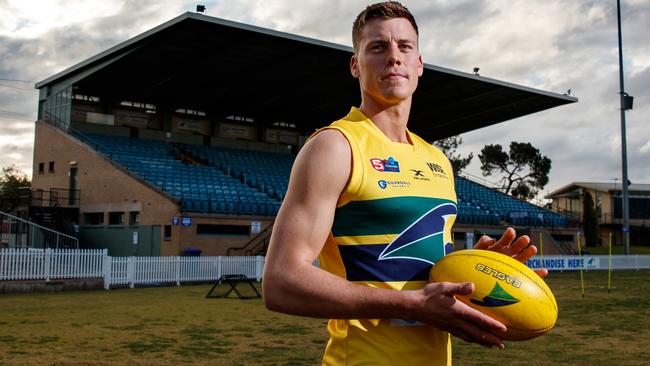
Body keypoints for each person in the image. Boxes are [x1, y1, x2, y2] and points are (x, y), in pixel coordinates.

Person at [263, 2, 547, 365]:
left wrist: (474, 269)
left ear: (419, 65)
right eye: (378, 47)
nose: (393, 57)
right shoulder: (335, 146)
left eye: (404, 47)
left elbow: (423, 277)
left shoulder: (437, 161)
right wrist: (411, 304)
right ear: (355, 65)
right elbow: (282, 282)